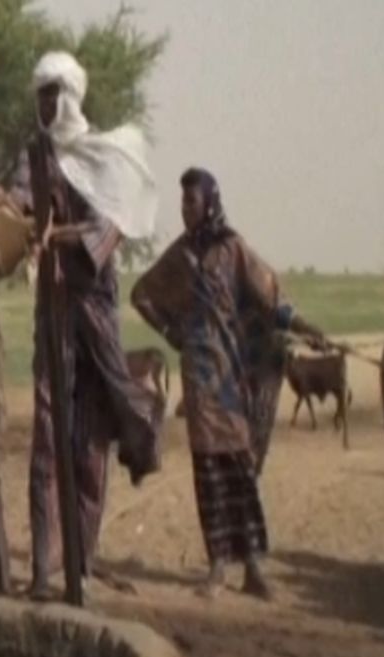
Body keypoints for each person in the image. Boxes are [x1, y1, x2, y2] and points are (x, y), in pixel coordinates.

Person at [131, 168, 328, 599]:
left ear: (210, 203)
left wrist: (306, 327)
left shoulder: (232, 249)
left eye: (192, 202)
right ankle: (218, 566)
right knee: (209, 471)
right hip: (199, 380)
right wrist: (171, 333)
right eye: (182, 202)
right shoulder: (179, 256)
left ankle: (253, 568)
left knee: (241, 467)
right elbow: (141, 294)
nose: (185, 210)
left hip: (232, 379)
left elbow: (270, 298)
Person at [12, 51, 164, 597]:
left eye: (52, 94)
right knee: (46, 437)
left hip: (94, 309)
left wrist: (55, 236)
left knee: (90, 444)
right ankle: (41, 570)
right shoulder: (36, 157)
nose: (44, 104)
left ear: (70, 97)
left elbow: (108, 230)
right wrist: (3, 218)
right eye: (40, 95)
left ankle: (82, 564)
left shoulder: (102, 156)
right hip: (52, 310)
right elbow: (18, 207)